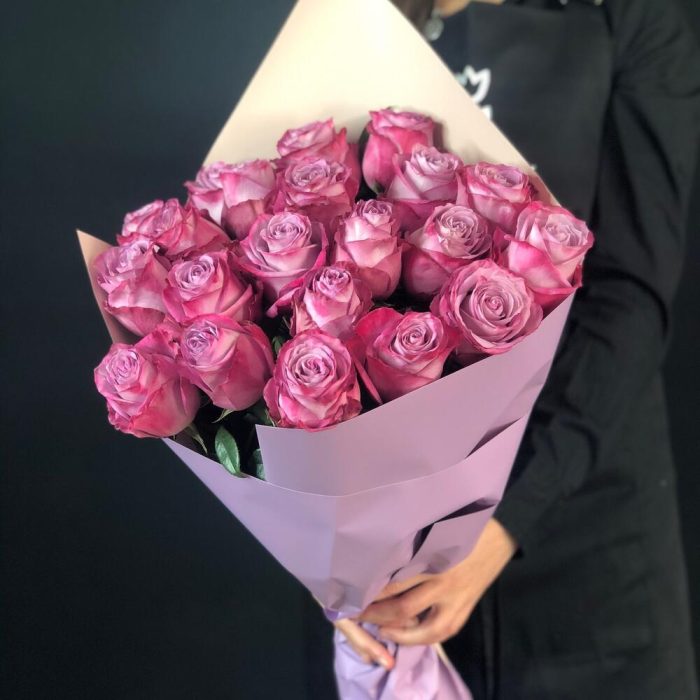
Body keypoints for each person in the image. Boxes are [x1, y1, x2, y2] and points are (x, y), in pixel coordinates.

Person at [321, 0, 700, 697]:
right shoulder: (353, 16)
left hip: (586, 546)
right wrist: (326, 550)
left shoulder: (630, 16)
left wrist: (503, 522)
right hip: (395, 571)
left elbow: (631, 295)